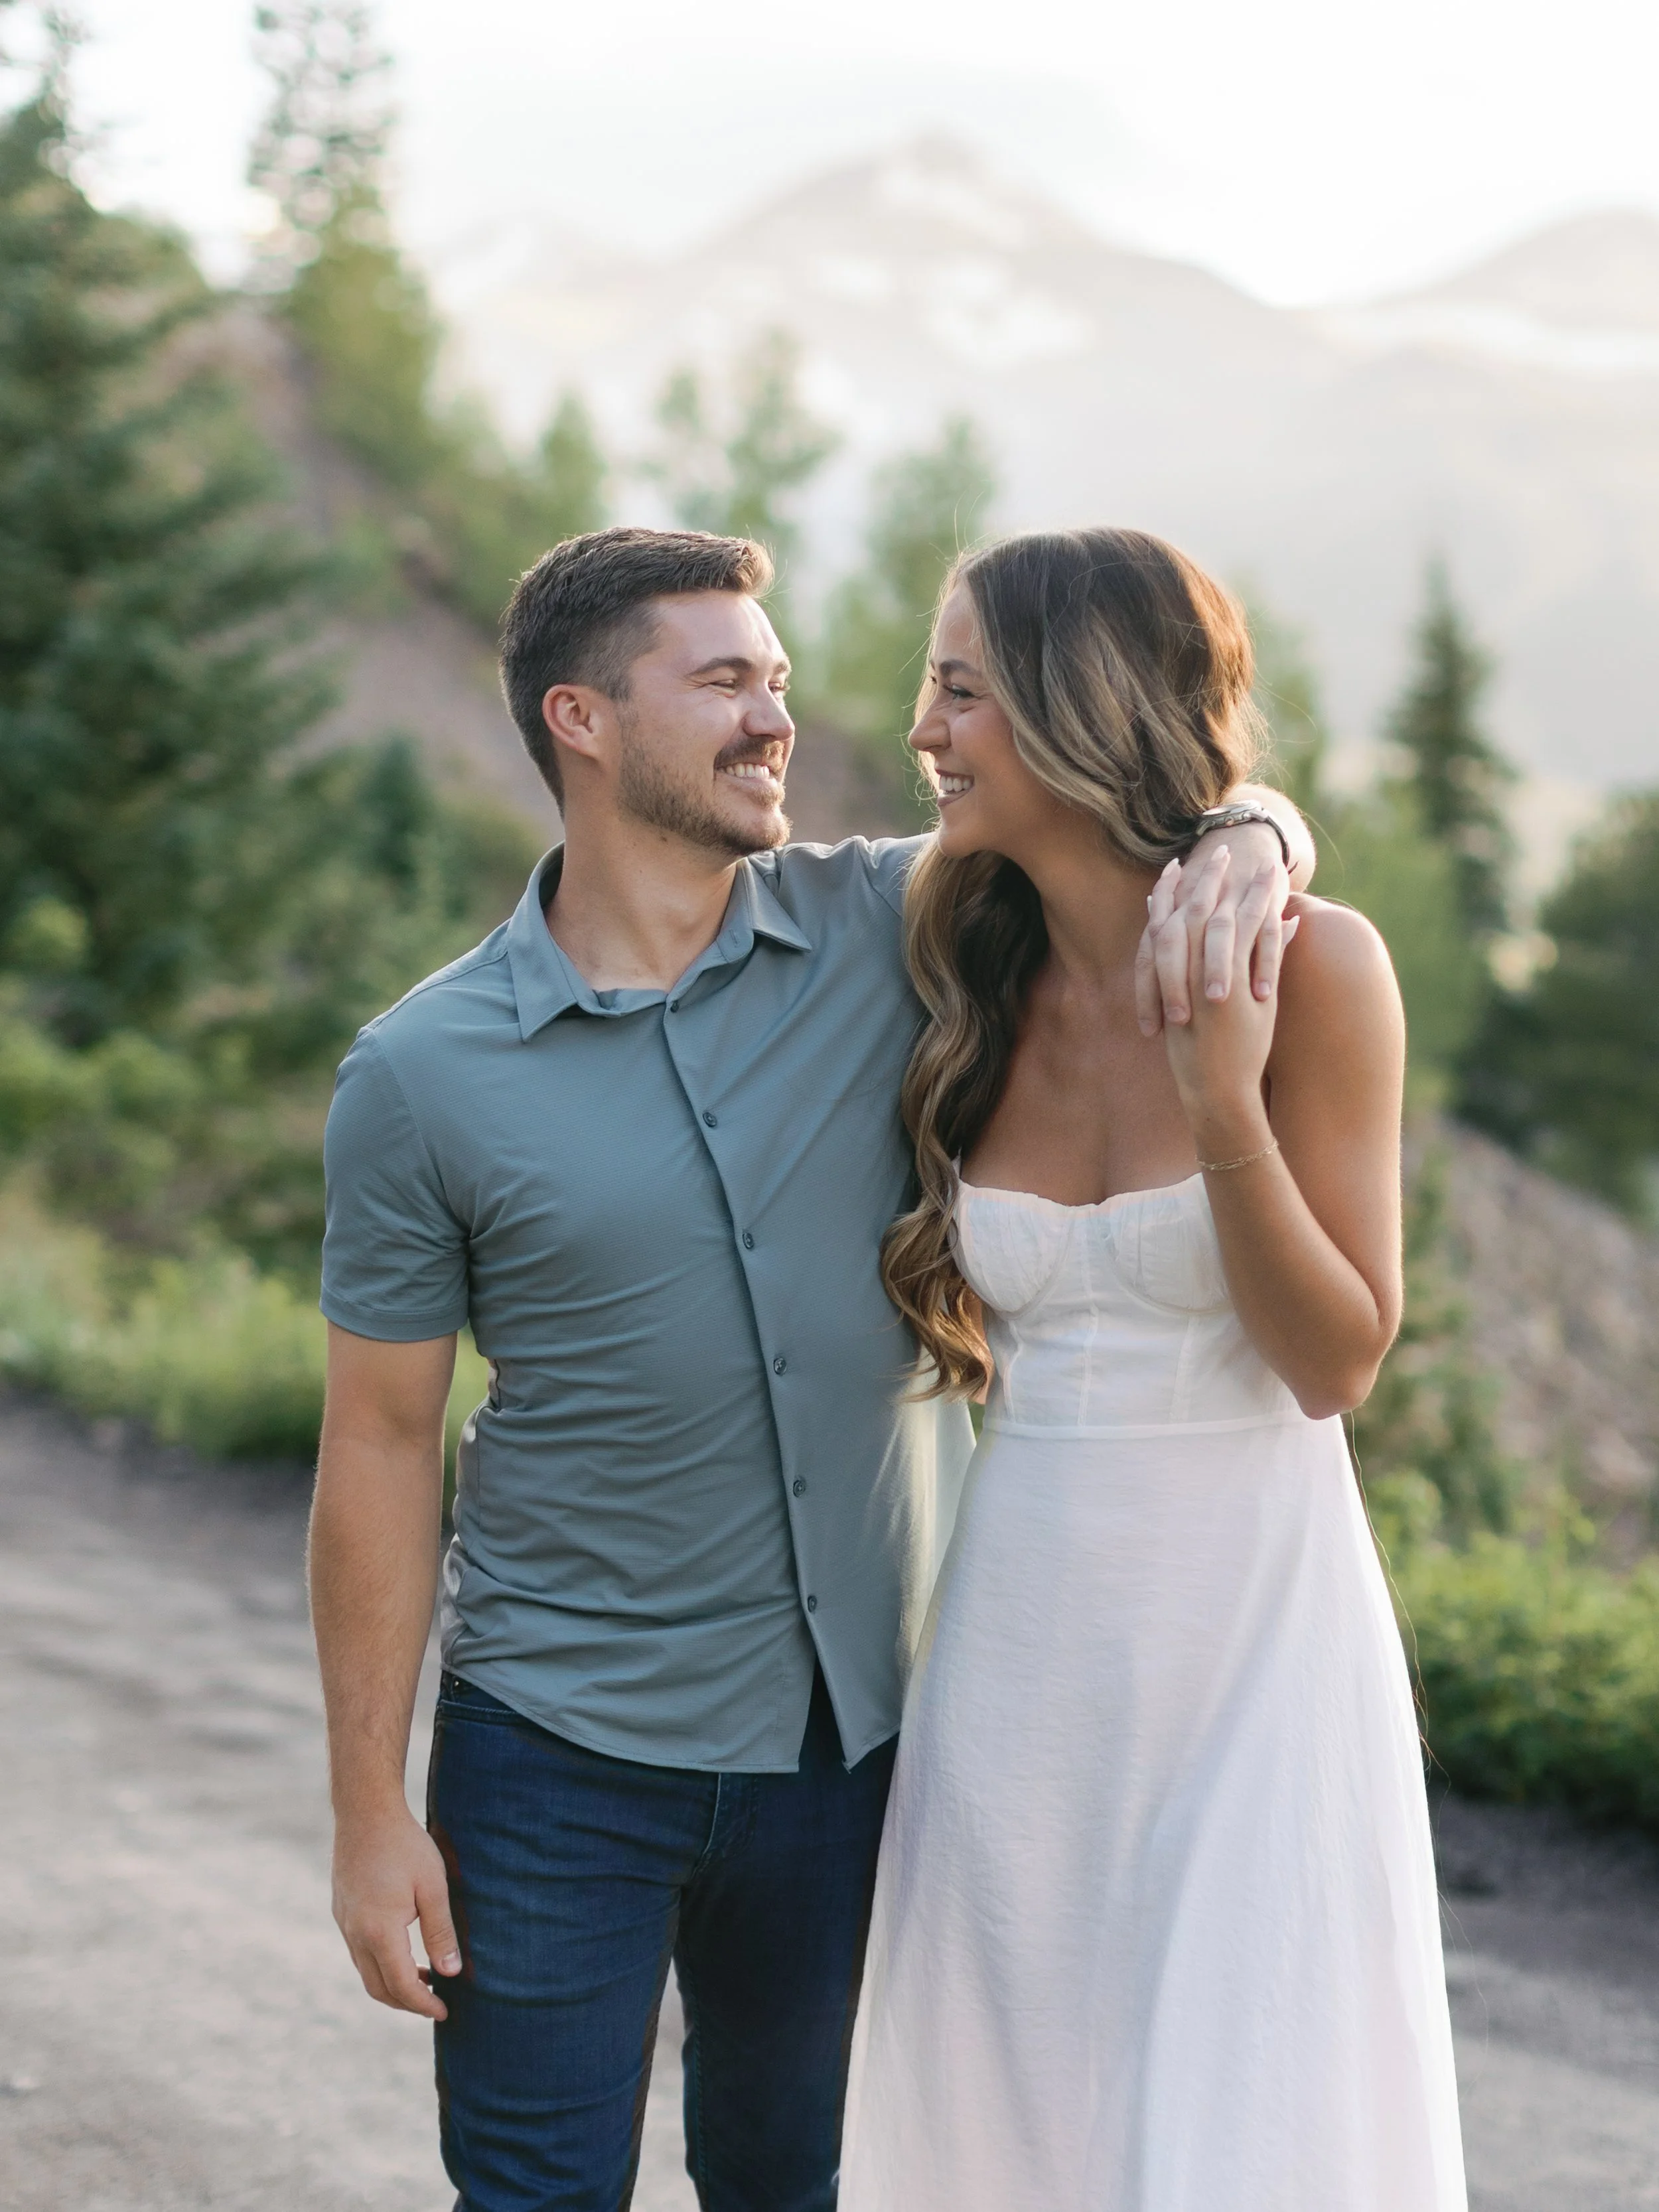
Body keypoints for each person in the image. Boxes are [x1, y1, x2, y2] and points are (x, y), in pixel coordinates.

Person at [309, 525, 1307, 2212]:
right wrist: (365, 1815)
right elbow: (382, 1445)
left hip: (859, 1756)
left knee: (815, 2186)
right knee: (535, 2192)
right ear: (581, 718)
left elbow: (1118, 813)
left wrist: (1253, 834)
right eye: (722, 683)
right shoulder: (420, 1073)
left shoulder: (895, 922)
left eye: (773, 682)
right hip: (555, 1754)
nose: (778, 719)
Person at [837, 527, 1467, 2211]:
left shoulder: (1314, 964)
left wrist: (1220, 1108)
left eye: (956, 688)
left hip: (1252, 1624)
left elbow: (1336, 1356)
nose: (923, 727)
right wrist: (1262, 819)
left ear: (1073, 704)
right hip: (1021, 1636)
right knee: (1011, 2105)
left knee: (1238, 2105)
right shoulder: (949, 955)